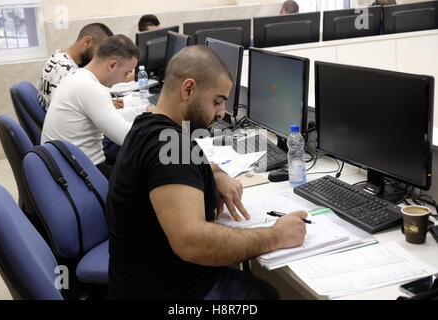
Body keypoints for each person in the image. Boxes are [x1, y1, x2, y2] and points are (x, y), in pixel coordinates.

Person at [106, 45, 308, 300]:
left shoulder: (150, 128)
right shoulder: (170, 144)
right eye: (217, 101)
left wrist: (216, 174)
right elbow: (192, 241)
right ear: (188, 89)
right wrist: (276, 236)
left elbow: (185, 163)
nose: (222, 113)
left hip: (144, 283)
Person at [41, 35, 149, 179]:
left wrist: (143, 111)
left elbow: (111, 116)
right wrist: (156, 125)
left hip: (68, 166)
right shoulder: (90, 88)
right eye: (126, 73)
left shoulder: (77, 76)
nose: (124, 79)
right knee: (147, 178)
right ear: (112, 65)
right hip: (82, 173)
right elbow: (126, 137)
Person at [38, 23, 117, 111]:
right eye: (100, 51)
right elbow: (64, 112)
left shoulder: (58, 57)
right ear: (87, 42)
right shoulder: (64, 70)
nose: (101, 57)